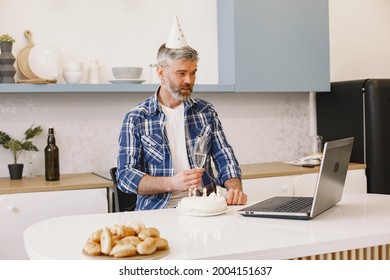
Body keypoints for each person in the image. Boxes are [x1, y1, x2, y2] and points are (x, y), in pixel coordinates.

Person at [116, 18, 247, 211]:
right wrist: (172, 183)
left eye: (193, 73)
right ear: (161, 73)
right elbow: (125, 176)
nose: (189, 80)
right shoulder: (137, 118)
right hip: (159, 210)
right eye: (181, 73)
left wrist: (234, 187)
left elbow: (225, 157)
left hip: (205, 206)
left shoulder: (205, 112)